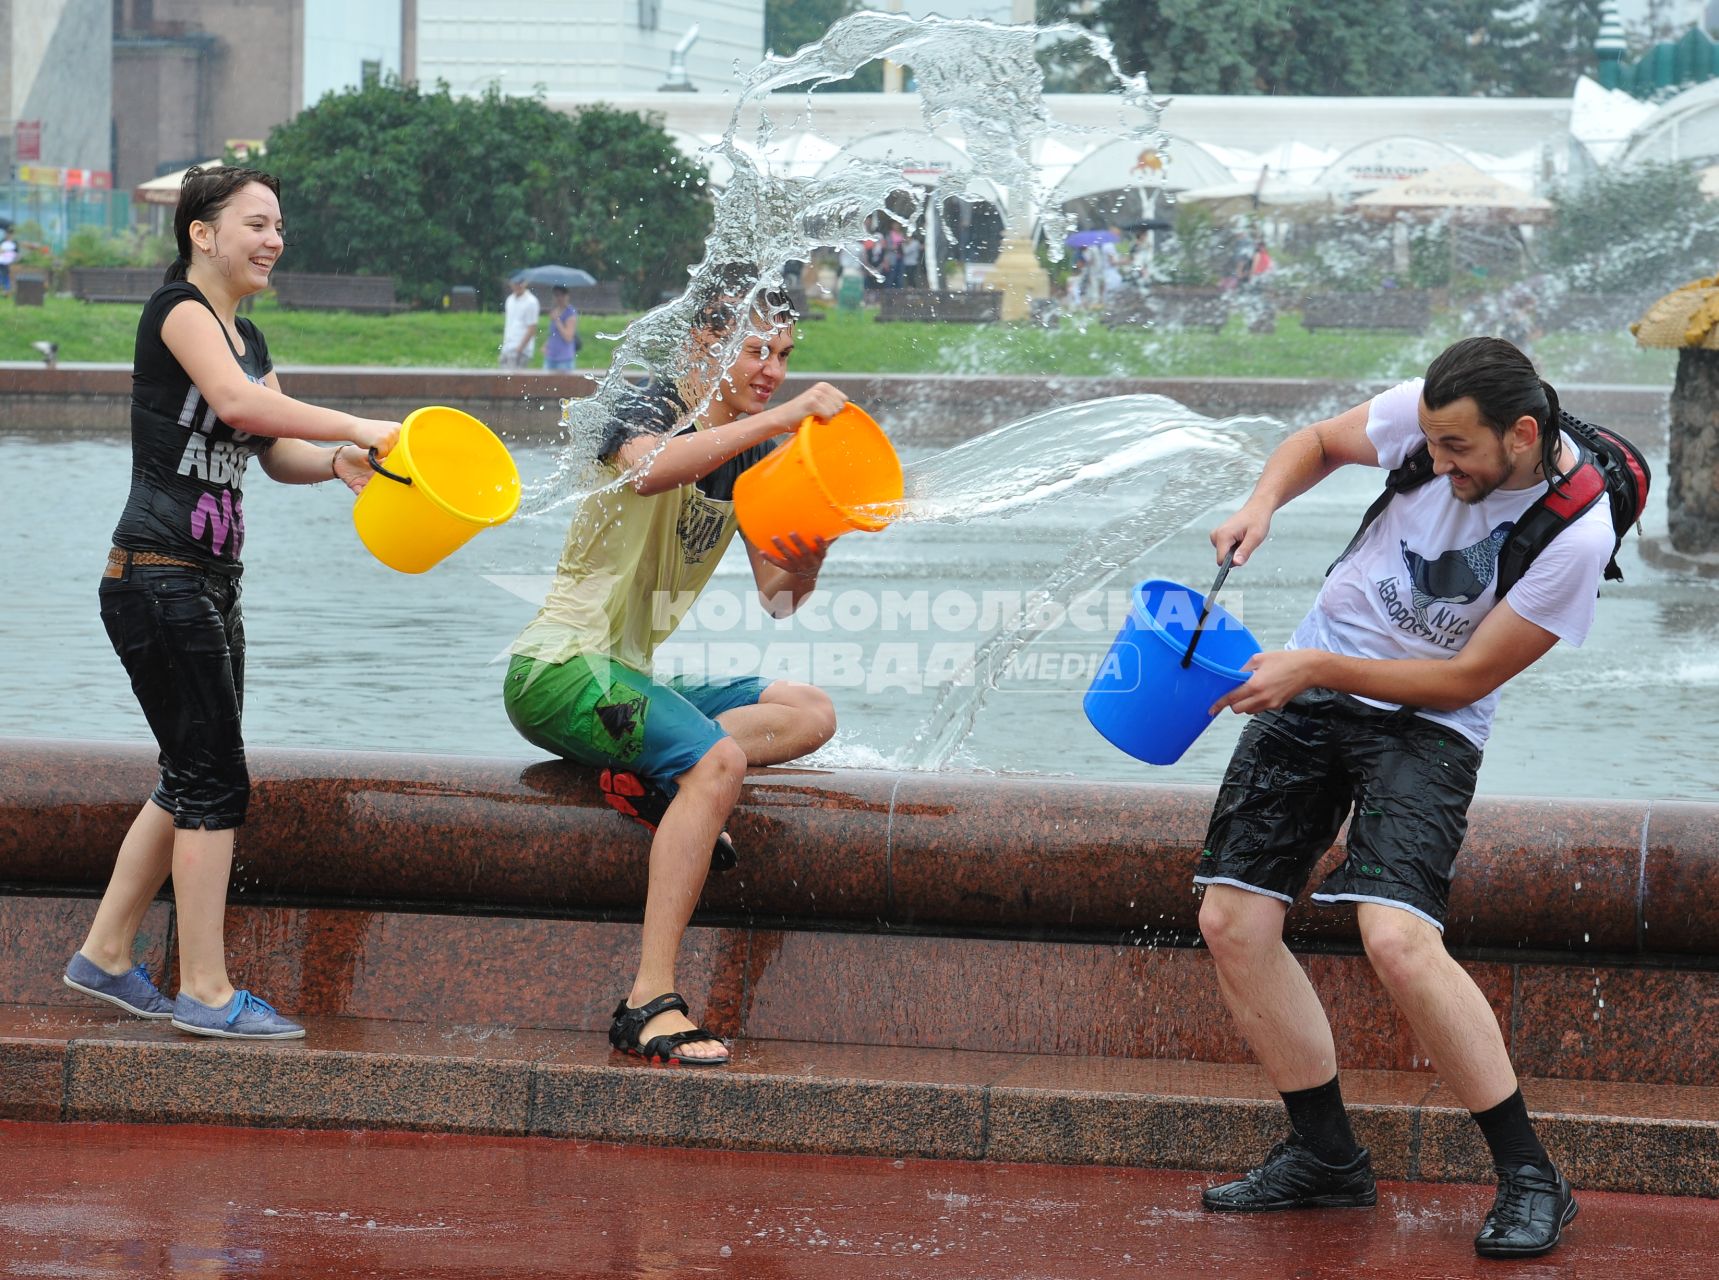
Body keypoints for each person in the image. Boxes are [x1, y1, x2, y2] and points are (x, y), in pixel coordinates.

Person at [1193, 337, 1610, 1259]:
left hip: (1427, 718)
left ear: (1522, 434)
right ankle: (1326, 1158)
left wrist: (1312, 665)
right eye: (1430, 442)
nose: (1438, 462)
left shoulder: (1576, 531)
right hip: (1318, 673)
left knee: (1396, 937)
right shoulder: (1429, 413)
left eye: (1457, 450)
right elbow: (1316, 443)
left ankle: (1531, 1176)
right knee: (1232, 921)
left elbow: (1462, 679)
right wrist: (1259, 503)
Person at [62, 166, 400, 1040]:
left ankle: (104, 953)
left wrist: (336, 463)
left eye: (279, 224)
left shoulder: (249, 334)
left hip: (208, 581)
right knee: (213, 782)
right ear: (201, 234)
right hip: (157, 573)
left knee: (188, 776)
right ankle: (206, 994)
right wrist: (361, 425)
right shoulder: (178, 312)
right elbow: (236, 402)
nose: (273, 239)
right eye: (255, 222)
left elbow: (273, 441)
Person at [503, 268, 844, 1067]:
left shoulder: (756, 456)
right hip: (558, 669)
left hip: (628, 677)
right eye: (756, 350)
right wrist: (790, 417)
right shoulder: (646, 401)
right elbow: (649, 467)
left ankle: (658, 784)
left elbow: (778, 600)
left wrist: (816, 548)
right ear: (704, 341)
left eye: (785, 354)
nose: (773, 371)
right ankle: (647, 1002)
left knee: (809, 712)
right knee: (718, 761)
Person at [500, 276, 541, 370]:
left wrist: (520, 348)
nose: (518, 286)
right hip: (508, 347)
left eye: (520, 283)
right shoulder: (510, 300)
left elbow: (532, 328)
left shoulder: (531, 302)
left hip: (521, 349)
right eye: (515, 283)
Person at [543, 284, 579, 372]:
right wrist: (546, 345)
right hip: (551, 356)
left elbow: (568, 337)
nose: (559, 298)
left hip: (564, 358)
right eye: (556, 295)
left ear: (567, 296)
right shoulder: (555, 311)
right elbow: (553, 334)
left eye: (562, 295)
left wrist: (558, 321)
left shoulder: (570, 313)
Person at [0, 226, 17, 295]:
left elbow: (16, 252)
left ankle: (7, 289)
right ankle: (4, 288)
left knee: (6, 275)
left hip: (10, 262)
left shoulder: (14, 242)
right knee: (2, 274)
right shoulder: (2, 241)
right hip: (2, 261)